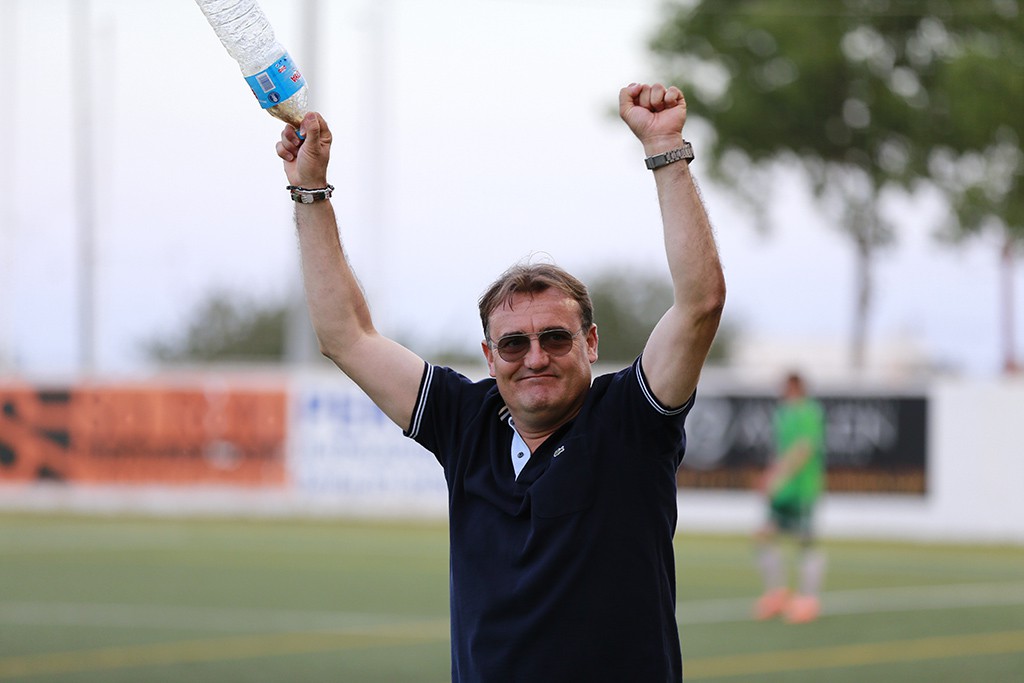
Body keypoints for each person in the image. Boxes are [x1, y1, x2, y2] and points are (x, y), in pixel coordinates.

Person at [276, 82, 725, 682]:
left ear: (591, 344)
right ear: (489, 355)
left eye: (556, 337)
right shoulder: (466, 422)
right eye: (513, 343)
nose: (534, 357)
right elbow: (346, 336)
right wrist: (309, 190)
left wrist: (666, 150)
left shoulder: (630, 420)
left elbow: (700, 303)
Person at [753, 371, 828, 624]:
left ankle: (809, 599)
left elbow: (803, 449)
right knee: (764, 536)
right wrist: (771, 476)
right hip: (783, 490)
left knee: (805, 541)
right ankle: (777, 593)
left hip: (802, 489)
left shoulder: (809, 412)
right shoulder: (783, 413)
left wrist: (779, 476)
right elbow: (780, 450)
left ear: (796, 387)